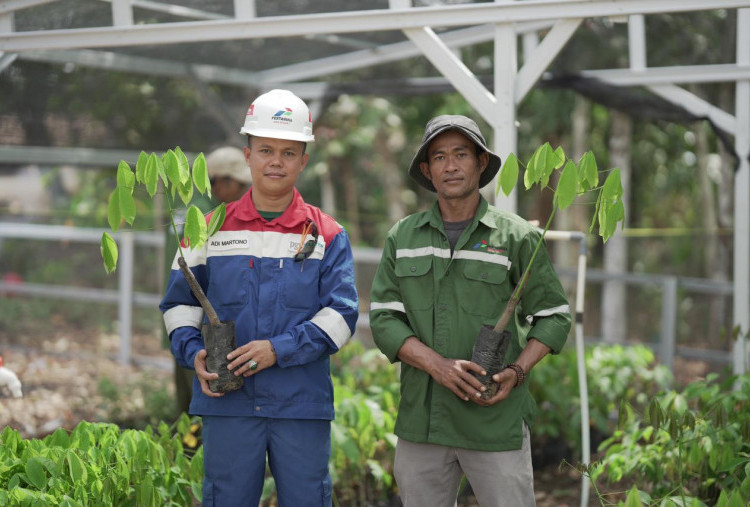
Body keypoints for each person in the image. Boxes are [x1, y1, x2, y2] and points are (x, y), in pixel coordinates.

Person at [160, 89, 359, 506]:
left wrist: (277, 350)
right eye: (265, 149)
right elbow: (179, 303)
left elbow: (342, 315)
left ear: (304, 161)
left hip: (301, 405)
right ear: (247, 155)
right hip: (227, 402)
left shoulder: (326, 234)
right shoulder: (208, 228)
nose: (276, 161)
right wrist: (192, 351)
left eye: (289, 153)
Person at [369, 115, 571, 506]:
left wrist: (517, 370)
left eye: (461, 154)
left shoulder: (516, 236)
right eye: (439, 157)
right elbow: (384, 317)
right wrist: (436, 365)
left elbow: (554, 314)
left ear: (481, 163)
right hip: (423, 421)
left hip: (494, 418)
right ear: (427, 170)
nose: (450, 165)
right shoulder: (403, 236)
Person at [163, 145, 252, 417]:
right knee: (203, 390)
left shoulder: (188, 206)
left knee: (186, 381)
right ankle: (192, 448)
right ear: (220, 181)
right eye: (240, 184)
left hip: (179, 310)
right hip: (202, 317)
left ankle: (184, 445)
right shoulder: (208, 217)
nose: (245, 191)